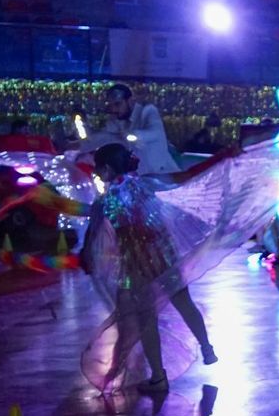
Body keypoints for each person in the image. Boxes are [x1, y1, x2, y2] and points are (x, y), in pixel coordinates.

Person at [83, 143, 218, 393]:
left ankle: (158, 377)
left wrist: (86, 255)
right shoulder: (146, 183)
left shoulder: (105, 200)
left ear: (108, 168)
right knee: (184, 302)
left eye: (98, 168)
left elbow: (92, 232)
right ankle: (207, 348)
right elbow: (186, 175)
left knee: (147, 318)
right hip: (163, 254)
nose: (96, 173)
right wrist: (221, 156)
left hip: (136, 264)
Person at [90, 84, 180, 175]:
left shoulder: (148, 111)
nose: (114, 109)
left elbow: (156, 133)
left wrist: (134, 135)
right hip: (140, 179)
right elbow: (102, 136)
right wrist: (80, 146)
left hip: (164, 176)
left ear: (129, 101)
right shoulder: (116, 119)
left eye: (117, 104)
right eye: (111, 105)